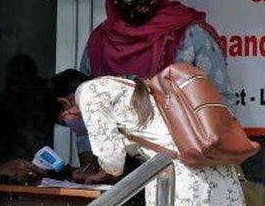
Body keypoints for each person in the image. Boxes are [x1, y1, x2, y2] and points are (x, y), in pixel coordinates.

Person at [79, 0, 235, 105]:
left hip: (178, 129)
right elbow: (83, 103)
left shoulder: (189, 34)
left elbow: (222, 102)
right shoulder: (100, 41)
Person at [76, 75, 243, 205]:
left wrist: (98, 174)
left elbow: (113, 163)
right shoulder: (133, 88)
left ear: (63, 103)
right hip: (219, 171)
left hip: (180, 177)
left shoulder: (88, 91)